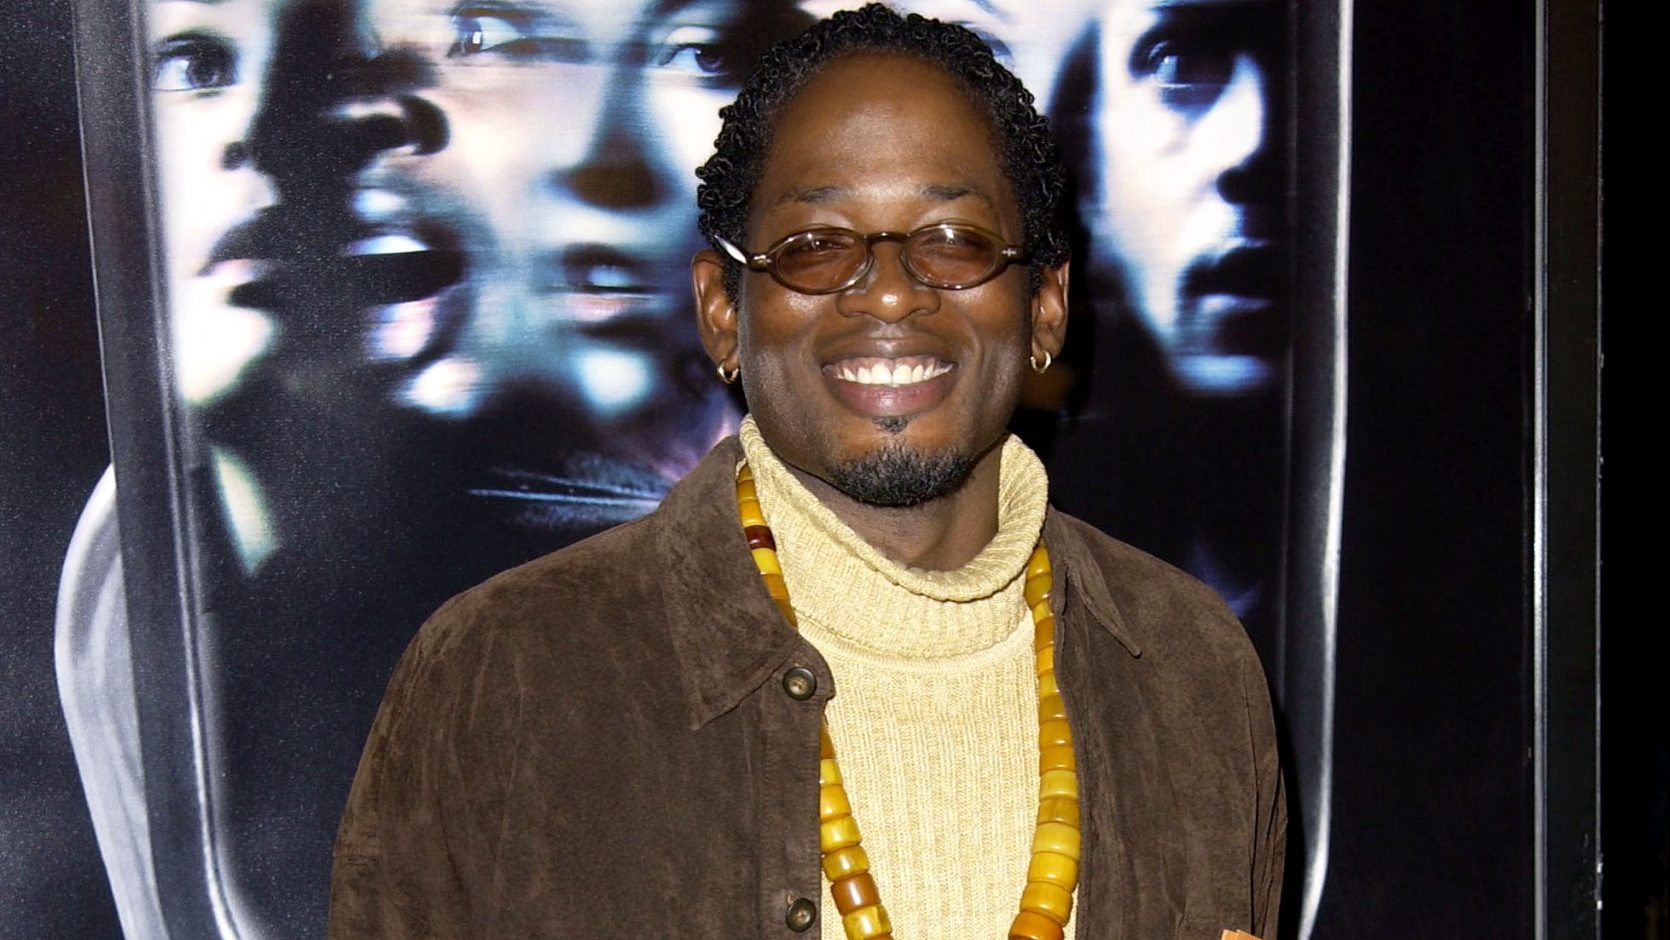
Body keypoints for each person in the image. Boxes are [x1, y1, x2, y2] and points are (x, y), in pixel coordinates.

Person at [328, 6, 1284, 938]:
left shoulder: (1190, 671)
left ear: (1045, 308)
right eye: (815, 247)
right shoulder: (503, 674)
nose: (891, 293)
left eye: (953, 241)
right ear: (722, 312)